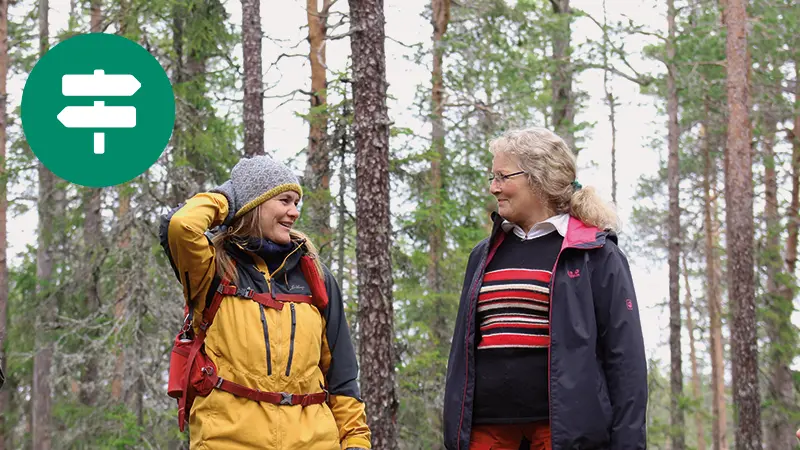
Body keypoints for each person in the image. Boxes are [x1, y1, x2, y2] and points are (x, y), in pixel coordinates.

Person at [443, 127, 647, 450]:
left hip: (564, 435)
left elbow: (626, 363)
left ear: (538, 178)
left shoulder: (596, 252)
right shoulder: (483, 255)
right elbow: (462, 355)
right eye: (491, 177)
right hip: (487, 432)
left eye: (502, 176)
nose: (494, 187)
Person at [160, 155, 371, 450]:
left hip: (315, 441)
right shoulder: (211, 269)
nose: (294, 212)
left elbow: (341, 374)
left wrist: (356, 440)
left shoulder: (317, 277)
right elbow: (181, 226)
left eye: (296, 203)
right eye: (284, 200)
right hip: (227, 441)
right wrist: (229, 198)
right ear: (254, 204)